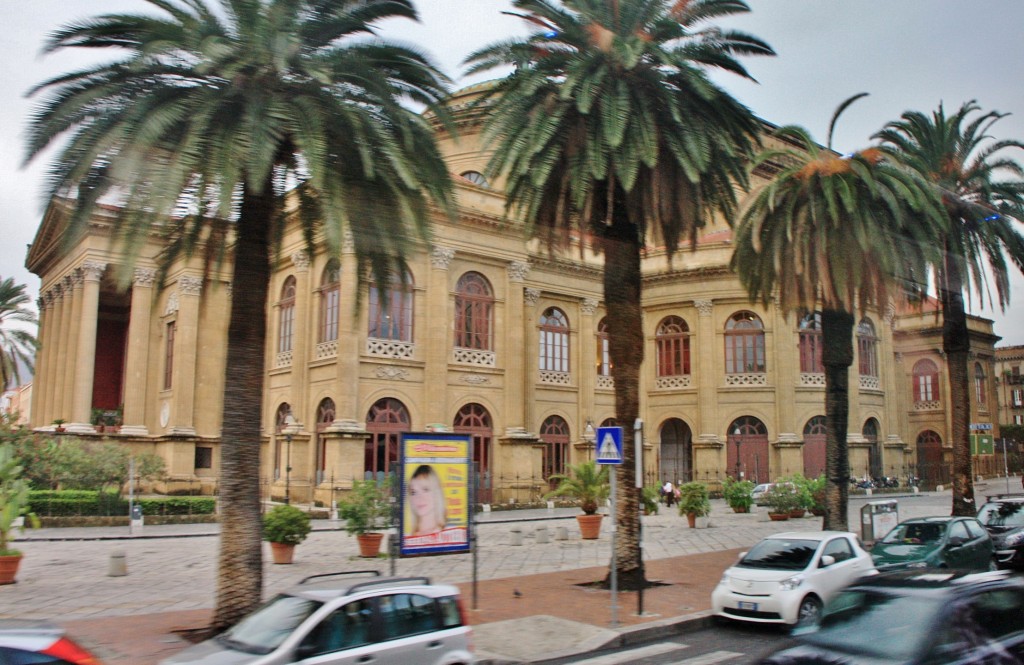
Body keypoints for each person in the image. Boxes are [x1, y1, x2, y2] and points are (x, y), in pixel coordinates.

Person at [408, 464, 447, 536]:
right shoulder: (408, 537)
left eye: (425, 489)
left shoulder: (448, 533)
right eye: (413, 492)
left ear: (437, 492)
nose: (419, 497)